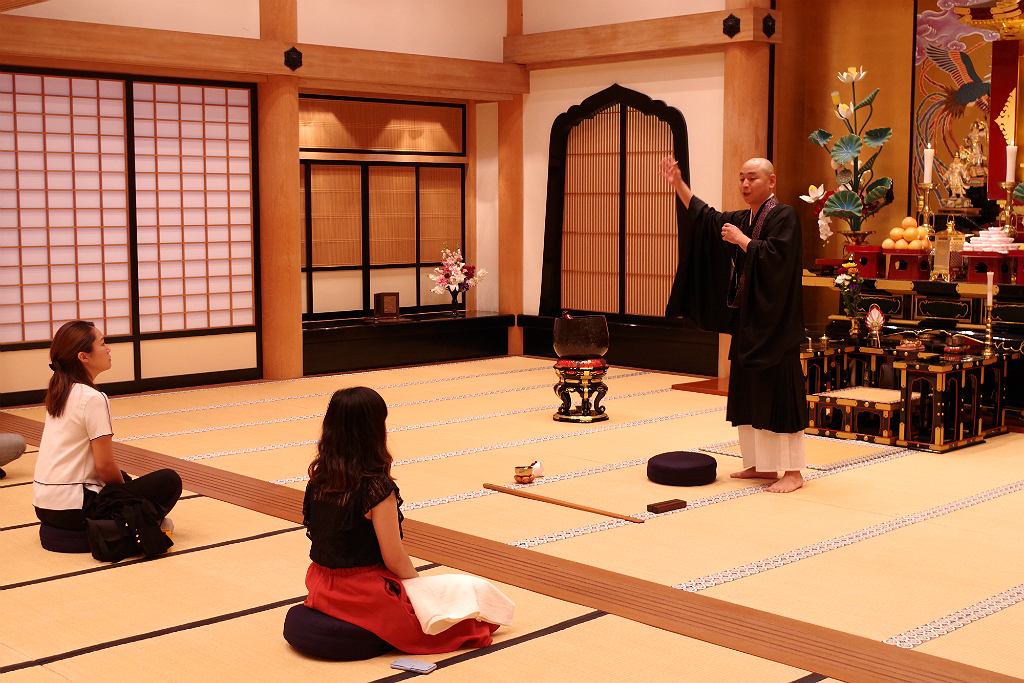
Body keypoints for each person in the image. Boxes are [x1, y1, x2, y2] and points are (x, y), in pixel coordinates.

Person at [302, 386, 500, 653]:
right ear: (374, 430)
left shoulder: (319, 479)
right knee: (465, 623)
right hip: (363, 592)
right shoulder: (376, 488)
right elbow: (394, 558)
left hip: (319, 583)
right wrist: (419, 590)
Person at [659, 157, 807, 493]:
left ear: (771, 182)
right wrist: (679, 184)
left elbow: (778, 258)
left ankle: (794, 472)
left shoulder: (785, 216)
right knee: (748, 391)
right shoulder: (743, 217)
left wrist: (743, 241)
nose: (744, 184)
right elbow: (707, 218)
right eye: (741, 178)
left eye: (752, 178)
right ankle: (762, 465)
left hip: (776, 323)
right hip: (748, 320)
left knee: (779, 392)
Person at [33, 320, 182, 530]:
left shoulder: (61, 391)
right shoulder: (92, 398)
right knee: (169, 480)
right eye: (102, 343)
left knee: (123, 477)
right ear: (83, 356)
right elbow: (104, 466)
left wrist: (126, 485)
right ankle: (140, 522)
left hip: (44, 504)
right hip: (76, 507)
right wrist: (128, 496)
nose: (108, 349)